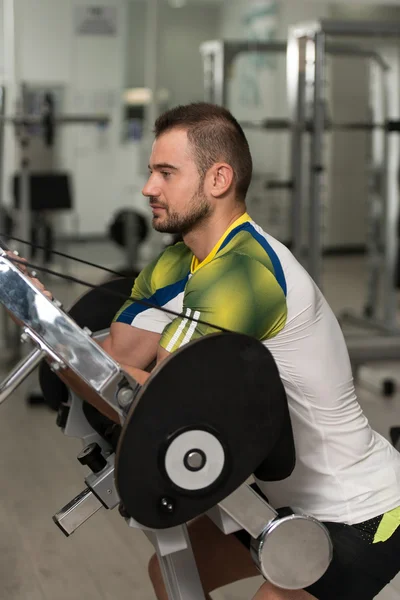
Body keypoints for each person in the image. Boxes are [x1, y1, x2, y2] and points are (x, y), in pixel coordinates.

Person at [18, 103, 400, 600]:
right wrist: (39, 318)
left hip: (362, 510)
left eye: (166, 172)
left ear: (218, 178)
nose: (148, 187)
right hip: (282, 501)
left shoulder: (247, 273)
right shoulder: (179, 261)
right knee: (174, 573)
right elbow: (114, 357)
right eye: (152, 171)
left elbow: (156, 404)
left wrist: (51, 329)